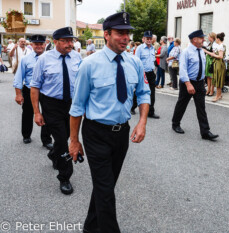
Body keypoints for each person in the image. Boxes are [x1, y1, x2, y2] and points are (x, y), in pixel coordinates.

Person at [69, 12, 150, 233]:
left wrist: (142, 122)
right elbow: (77, 107)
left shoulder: (134, 62)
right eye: (120, 33)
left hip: (121, 134)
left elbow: (144, 94)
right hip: (96, 133)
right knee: (105, 190)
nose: (125, 38)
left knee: (106, 186)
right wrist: (74, 141)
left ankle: (90, 227)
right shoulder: (89, 65)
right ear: (106, 35)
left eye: (128, 33)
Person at [30, 27, 82, 195]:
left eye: (71, 40)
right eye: (65, 41)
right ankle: (65, 177)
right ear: (55, 42)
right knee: (62, 140)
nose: (69, 44)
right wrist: (37, 112)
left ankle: (54, 154)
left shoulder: (77, 57)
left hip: (72, 104)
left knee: (65, 137)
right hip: (51, 104)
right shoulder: (44, 59)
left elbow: (82, 82)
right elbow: (35, 86)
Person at [172, 29, 219, 141]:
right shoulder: (186, 52)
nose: (204, 39)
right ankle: (175, 124)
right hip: (187, 82)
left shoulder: (201, 51)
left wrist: (202, 82)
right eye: (201, 38)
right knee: (182, 104)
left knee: (201, 107)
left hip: (199, 83)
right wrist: (188, 84)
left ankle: (205, 132)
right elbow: (182, 70)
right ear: (194, 40)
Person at [13, 35, 53, 148]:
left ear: (45, 45)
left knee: (47, 114)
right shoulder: (26, 59)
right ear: (32, 45)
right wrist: (18, 94)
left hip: (46, 91)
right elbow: (19, 77)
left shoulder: (50, 58)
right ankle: (26, 135)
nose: (39, 46)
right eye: (36, 44)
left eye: (41, 44)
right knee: (27, 113)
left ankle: (46, 140)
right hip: (29, 90)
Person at [133, 31, 159, 118]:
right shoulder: (140, 48)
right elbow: (136, 61)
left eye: (150, 38)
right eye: (147, 38)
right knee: (139, 91)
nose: (149, 40)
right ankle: (132, 107)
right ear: (143, 39)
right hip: (142, 74)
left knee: (152, 93)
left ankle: (150, 112)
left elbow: (153, 60)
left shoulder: (152, 48)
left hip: (151, 73)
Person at [204, 32, 226, 102]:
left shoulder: (221, 46)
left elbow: (220, 56)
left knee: (218, 79)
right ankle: (219, 95)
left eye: (216, 38)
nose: (215, 40)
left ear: (218, 39)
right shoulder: (219, 45)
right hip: (217, 63)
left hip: (218, 63)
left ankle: (217, 96)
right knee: (217, 79)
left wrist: (209, 53)